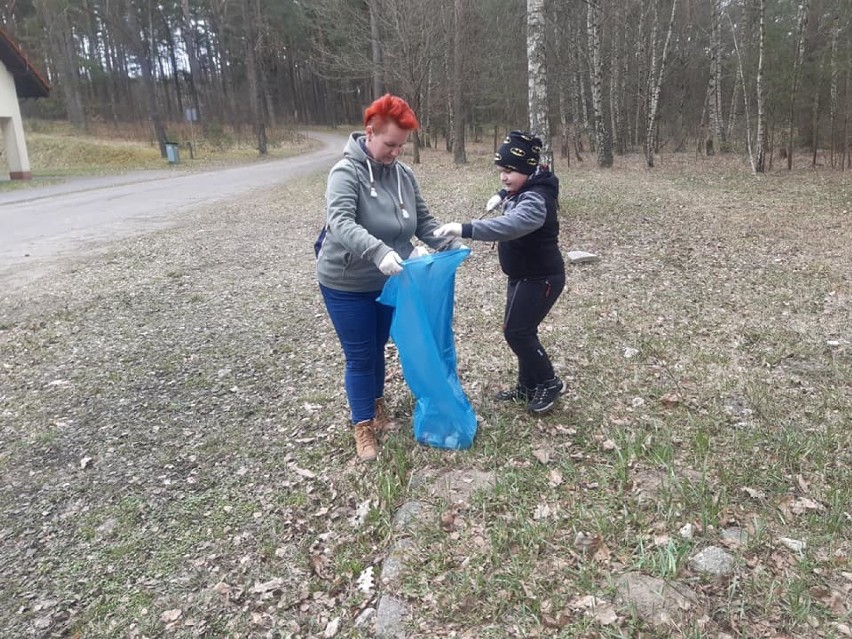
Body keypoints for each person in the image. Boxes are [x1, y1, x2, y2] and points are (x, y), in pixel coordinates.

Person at [316, 94, 459, 461]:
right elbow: (341, 222)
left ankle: (376, 405)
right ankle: (362, 424)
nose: (396, 153)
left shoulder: (403, 175)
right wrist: (379, 251)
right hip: (346, 282)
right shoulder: (345, 173)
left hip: (391, 280)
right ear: (370, 132)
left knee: (379, 346)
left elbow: (422, 221)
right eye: (390, 144)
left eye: (401, 146)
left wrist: (443, 242)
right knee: (360, 355)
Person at [434, 130, 566, 414]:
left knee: (517, 333)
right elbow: (513, 191)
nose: (504, 177)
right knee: (519, 329)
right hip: (520, 275)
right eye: (501, 172)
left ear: (528, 169)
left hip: (541, 277)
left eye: (509, 171)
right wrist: (500, 194)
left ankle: (549, 381)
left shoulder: (536, 200)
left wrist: (465, 228)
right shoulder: (524, 187)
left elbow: (510, 226)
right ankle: (527, 385)